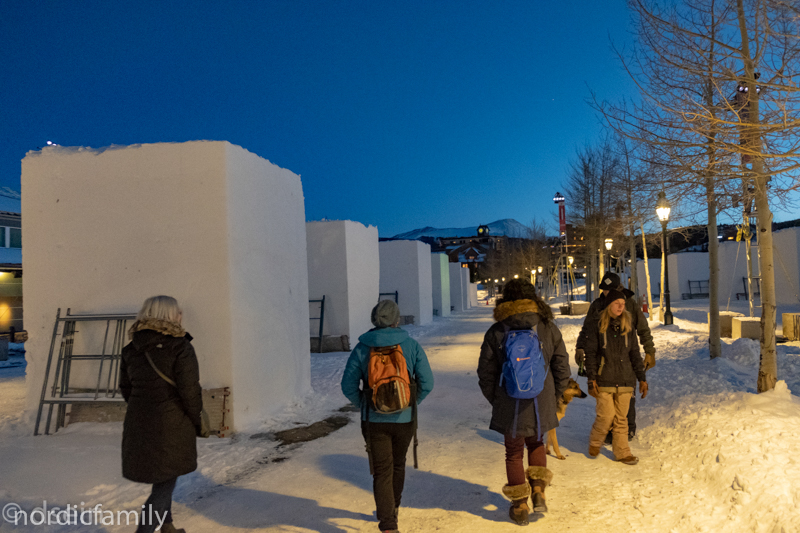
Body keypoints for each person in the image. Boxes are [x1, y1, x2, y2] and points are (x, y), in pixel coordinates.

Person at [477, 279, 570, 525]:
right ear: (534, 298)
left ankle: (520, 506)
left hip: (509, 400)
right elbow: (562, 366)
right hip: (541, 399)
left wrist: (496, 400)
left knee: (514, 451)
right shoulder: (547, 327)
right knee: (537, 442)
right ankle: (538, 490)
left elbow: (485, 373)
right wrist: (554, 395)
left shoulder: (497, 331)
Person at [341, 300, 434, 533]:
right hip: (405, 420)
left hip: (374, 421)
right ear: (397, 320)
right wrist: (411, 403)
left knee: (382, 470)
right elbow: (428, 382)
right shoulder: (410, 345)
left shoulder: (362, 348)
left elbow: (347, 385)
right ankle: (393, 508)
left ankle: (388, 525)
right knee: (398, 465)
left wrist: (365, 404)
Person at [120, 296, 202, 533]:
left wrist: (143, 408)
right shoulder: (180, 347)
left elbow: (126, 388)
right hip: (171, 423)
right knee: (164, 484)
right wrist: (197, 420)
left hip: (138, 423)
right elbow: (190, 391)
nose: (181, 315)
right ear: (168, 315)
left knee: (162, 476)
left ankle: (167, 527)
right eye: (178, 312)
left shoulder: (131, 348)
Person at [575, 271, 655, 440]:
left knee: (627, 393)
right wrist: (580, 347)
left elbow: (643, 328)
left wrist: (649, 351)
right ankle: (610, 430)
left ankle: (628, 428)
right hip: (605, 357)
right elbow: (587, 330)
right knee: (607, 396)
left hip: (626, 355)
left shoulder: (629, 304)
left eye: (608, 290)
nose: (605, 293)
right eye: (603, 290)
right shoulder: (597, 305)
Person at [583, 290, 648, 465]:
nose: (620, 306)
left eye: (623, 303)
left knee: (621, 419)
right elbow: (591, 354)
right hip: (604, 378)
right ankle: (596, 440)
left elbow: (635, 353)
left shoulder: (629, 325)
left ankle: (622, 452)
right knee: (606, 416)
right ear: (609, 305)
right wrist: (591, 379)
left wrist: (642, 378)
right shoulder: (598, 325)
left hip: (626, 378)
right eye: (616, 303)